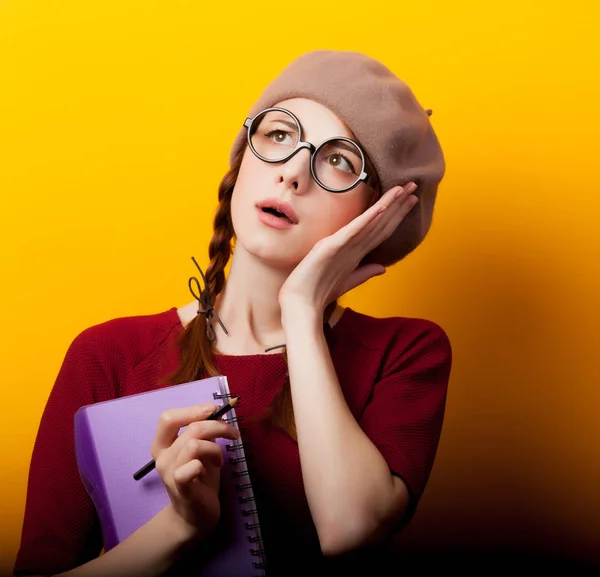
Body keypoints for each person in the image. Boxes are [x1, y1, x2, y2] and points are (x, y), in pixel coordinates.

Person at [13, 49, 452, 577]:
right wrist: (178, 528)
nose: (293, 173)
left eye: (339, 160)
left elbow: (349, 528)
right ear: (243, 158)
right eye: (279, 135)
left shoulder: (405, 353)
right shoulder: (107, 355)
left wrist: (301, 310)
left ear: (374, 218)